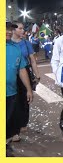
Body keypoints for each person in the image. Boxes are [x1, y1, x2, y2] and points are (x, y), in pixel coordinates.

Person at [6, 22, 33, 156]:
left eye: (10, 28)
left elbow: (22, 70)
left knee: (9, 121)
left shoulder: (15, 48)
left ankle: (5, 145)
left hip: (11, 93)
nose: (9, 31)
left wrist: (28, 89)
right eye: (5, 28)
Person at [11, 21, 40, 142]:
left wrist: (37, 75)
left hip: (25, 73)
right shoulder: (8, 43)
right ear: (13, 30)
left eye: (23, 28)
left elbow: (32, 60)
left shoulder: (26, 43)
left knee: (25, 99)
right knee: (13, 101)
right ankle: (14, 130)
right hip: (12, 73)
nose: (23, 31)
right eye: (20, 28)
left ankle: (23, 122)